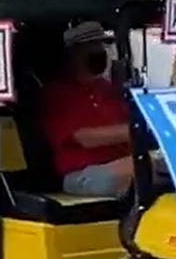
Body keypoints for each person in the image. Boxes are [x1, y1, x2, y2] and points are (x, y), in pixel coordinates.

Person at [40, 21, 134, 197]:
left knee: (161, 165)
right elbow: (84, 138)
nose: (100, 51)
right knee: (146, 167)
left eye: (101, 45)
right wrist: (136, 131)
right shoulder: (56, 93)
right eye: (92, 45)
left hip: (121, 163)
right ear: (73, 53)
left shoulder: (107, 88)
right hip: (82, 174)